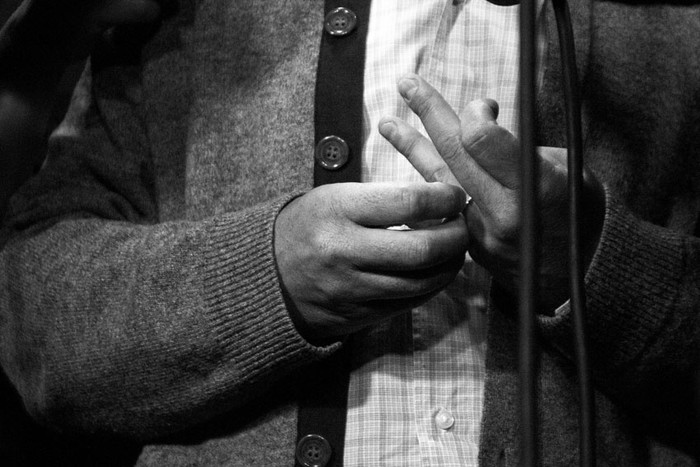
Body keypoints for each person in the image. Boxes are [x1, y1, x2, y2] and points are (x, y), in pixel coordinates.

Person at [0, 0, 699, 466]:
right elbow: (35, 323)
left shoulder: (671, 30)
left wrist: (593, 263)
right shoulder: (189, 21)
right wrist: (263, 278)